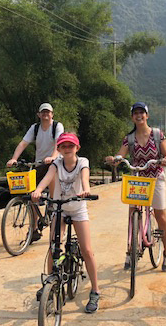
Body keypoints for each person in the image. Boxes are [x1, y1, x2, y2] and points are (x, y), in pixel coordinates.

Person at [31, 132, 101, 314]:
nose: (67, 149)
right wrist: (38, 190)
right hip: (59, 209)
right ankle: (50, 281)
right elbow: (48, 177)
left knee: (86, 250)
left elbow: (85, 178)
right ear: (59, 149)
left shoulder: (83, 162)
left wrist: (86, 190)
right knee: (53, 246)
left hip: (78, 209)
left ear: (77, 147)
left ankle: (95, 290)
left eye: (71, 145)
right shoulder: (56, 163)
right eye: (64, 146)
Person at [105, 101, 166, 272]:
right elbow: (121, 153)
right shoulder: (129, 139)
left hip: (155, 177)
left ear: (147, 115)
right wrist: (115, 159)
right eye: (136, 113)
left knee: (160, 215)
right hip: (137, 178)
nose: (139, 115)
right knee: (132, 214)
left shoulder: (157, 135)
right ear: (132, 117)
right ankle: (129, 251)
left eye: (142, 112)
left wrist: (165, 160)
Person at [7, 102, 64, 241]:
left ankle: (52, 203)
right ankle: (33, 230)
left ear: (52, 114)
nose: (45, 114)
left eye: (48, 112)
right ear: (39, 114)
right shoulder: (35, 128)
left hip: (55, 162)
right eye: (43, 112)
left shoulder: (57, 126)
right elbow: (23, 143)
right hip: (39, 163)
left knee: (52, 176)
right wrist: (14, 159)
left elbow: (58, 143)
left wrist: (53, 157)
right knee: (32, 194)